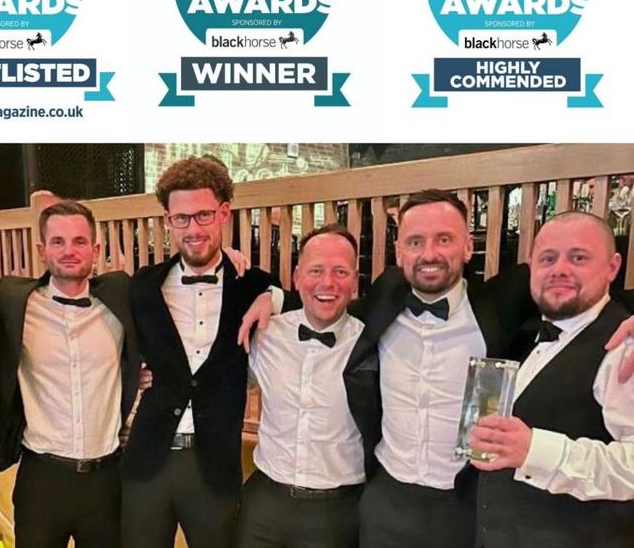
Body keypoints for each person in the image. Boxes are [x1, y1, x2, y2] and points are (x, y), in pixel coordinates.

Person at [240, 189, 634, 548]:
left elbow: (578, 296)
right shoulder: (384, 299)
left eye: (444, 239)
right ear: (399, 252)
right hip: (385, 500)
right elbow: (328, 299)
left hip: (465, 502)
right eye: (416, 242)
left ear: (468, 246)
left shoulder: (503, 302)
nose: (429, 253)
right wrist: (275, 297)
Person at [120, 156, 279, 548]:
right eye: (182, 218)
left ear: (223, 213)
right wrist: (132, 374)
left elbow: (302, 301)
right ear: (168, 221)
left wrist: (273, 297)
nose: (193, 229)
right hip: (147, 462)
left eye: (203, 215)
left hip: (214, 467)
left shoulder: (253, 285)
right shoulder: (143, 286)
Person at [467, 212, 634, 547]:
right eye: (547, 259)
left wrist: (536, 450)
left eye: (578, 258)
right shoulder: (524, 331)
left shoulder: (625, 348)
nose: (559, 269)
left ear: (612, 267)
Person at [0, 201, 142, 548]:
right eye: (57, 241)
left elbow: (171, 290)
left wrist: (232, 261)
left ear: (96, 250)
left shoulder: (121, 295)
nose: (69, 251)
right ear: (41, 250)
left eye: (79, 241)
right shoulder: (13, 300)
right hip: (41, 479)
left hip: (106, 480)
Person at [236, 224, 366, 548]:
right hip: (265, 503)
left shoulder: (373, 342)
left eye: (340, 271)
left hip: (338, 511)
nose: (327, 282)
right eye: (316, 270)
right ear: (296, 276)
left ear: (355, 281)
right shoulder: (265, 332)